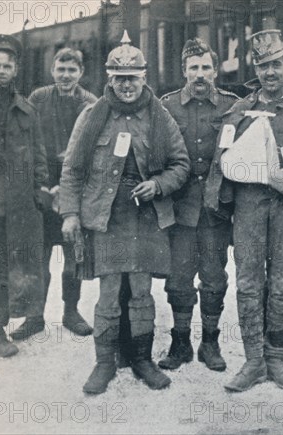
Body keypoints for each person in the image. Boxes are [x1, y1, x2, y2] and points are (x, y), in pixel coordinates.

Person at [59, 32, 190, 394]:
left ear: (144, 78)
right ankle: (104, 363)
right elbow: (71, 170)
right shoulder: (93, 115)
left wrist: (159, 185)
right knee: (109, 290)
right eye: (119, 78)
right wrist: (70, 214)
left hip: (146, 216)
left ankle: (142, 359)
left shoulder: (160, 116)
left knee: (142, 292)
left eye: (133, 77)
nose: (127, 85)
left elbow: (181, 164)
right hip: (107, 216)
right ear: (109, 79)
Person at [205, 29, 283, 392]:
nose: (270, 72)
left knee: (281, 284)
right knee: (248, 284)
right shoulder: (240, 112)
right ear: (256, 71)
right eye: (263, 66)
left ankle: (276, 359)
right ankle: (253, 362)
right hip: (248, 211)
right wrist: (268, 177)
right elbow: (223, 164)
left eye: (276, 64)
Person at [157, 38, 238, 372]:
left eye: (206, 67)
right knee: (178, 278)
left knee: (214, 277)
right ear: (183, 71)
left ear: (215, 70)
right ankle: (179, 342)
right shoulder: (167, 106)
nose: (200, 74)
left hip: (217, 208)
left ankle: (210, 343)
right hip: (180, 207)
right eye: (194, 68)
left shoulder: (233, 106)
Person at [9, 48, 98, 340]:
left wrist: (69, 186)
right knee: (39, 254)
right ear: (52, 70)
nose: (65, 75)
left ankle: (70, 312)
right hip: (43, 187)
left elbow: (94, 151)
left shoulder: (91, 104)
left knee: (74, 256)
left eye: (72, 70)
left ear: (81, 73)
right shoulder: (37, 99)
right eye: (61, 69)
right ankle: (35, 316)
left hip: (76, 190)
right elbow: (26, 143)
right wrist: (43, 185)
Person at [0, 34, 49, 373]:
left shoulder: (27, 109)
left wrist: (40, 189)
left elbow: (38, 155)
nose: (0, 70)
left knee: (1, 273)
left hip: (14, 207)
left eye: (6, 65)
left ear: (15, 69)